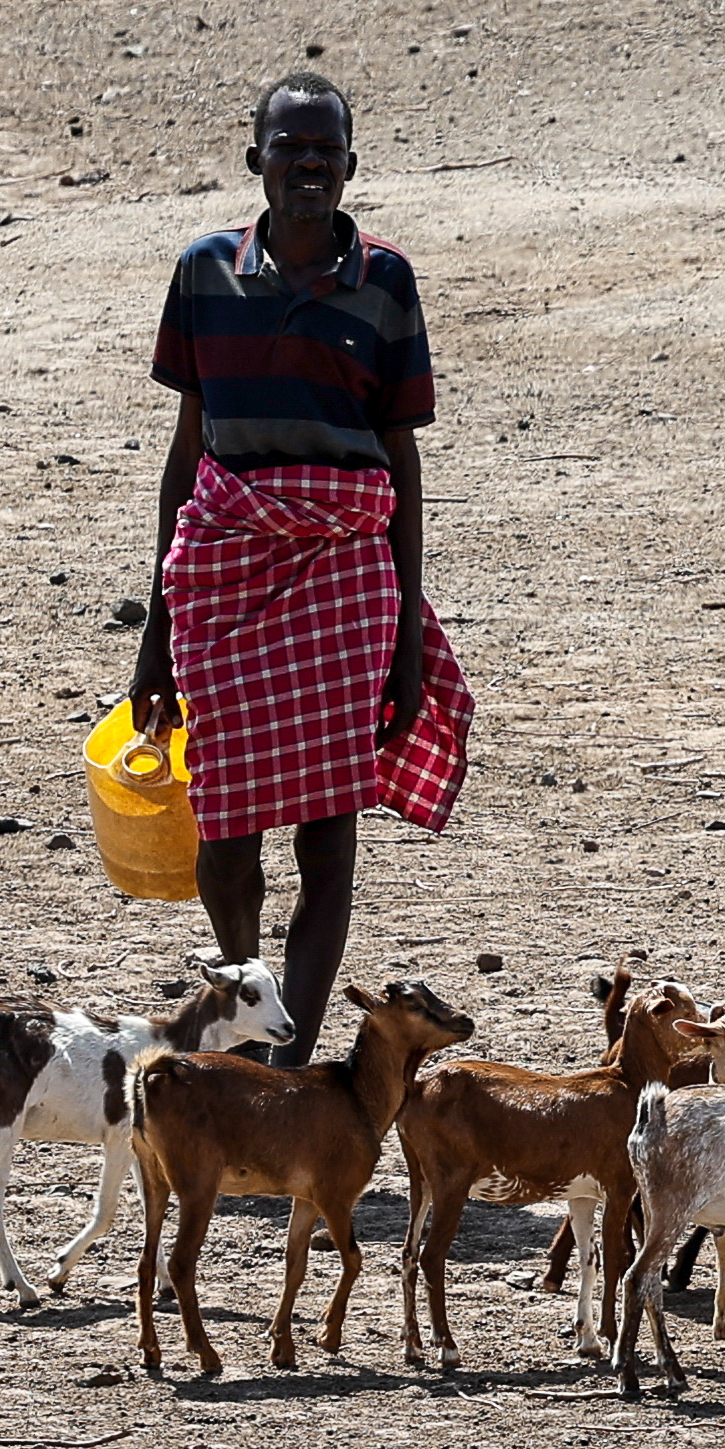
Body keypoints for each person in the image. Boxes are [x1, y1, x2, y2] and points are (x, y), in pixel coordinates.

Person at [127, 70, 470, 1063]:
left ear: (350, 166)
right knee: (225, 836)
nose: (310, 165)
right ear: (257, 162)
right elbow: (187, 456)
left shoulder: (387, 283)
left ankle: (283, 1070)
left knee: (327, 836)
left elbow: (401, 467)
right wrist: (155, 638)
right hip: (224, 577)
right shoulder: (203, 275)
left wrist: (407, 645)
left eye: (328, 150)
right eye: (291, 148)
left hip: (346, 580)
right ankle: (243, 1024)